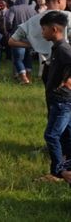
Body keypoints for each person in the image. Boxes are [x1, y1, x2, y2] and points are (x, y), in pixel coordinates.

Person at [9, 0, 71, 82]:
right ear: (60, 0)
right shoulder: (68, 16)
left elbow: (12, 41)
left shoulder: (33, 20)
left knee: (51, 94)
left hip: (48, 66)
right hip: (65, 66)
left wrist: (33, 45)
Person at [38, 11, 71, 185]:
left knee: (52, 135)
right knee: (66, 135)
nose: (42, 33)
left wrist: (66, 82)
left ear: (54, 29)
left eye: (43, 29)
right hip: (59, 100)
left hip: (62, 100)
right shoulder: (57, 48)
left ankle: (58, 172)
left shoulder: (64, 48)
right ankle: (67, 169)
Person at [6, 0, 37, 84]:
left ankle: (24, 79)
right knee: (28, 58)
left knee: (18, 59)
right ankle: (29, 78)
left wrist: (9, 30)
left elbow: (8, 22)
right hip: (30, 38)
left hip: (17, 37)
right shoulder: (32, 10)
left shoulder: (13, 9)